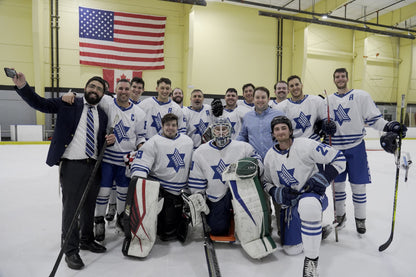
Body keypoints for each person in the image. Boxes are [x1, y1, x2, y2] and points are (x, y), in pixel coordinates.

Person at [12, 72, 114, 270]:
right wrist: (23, 86)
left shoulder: (101, 113)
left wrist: (110, 141)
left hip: (93, 165)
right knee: (71, 209)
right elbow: (40, 103)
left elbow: (99, 140)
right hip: (72, 165)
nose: (95, 90)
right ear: (85, 88)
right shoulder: (69, 102)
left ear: (103, 94)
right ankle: (70, 250)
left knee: (88, 206)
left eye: (99, 89)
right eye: (92, 86)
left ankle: (86, 239)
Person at [326, 68, 407, 234]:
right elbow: (321, 122)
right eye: (337, 77)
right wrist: (322, 127)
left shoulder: (361, 96)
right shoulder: (326, 101)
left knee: (358, 186)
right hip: (335, 150)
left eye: (342, 76)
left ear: (347, 78)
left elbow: (374, 119)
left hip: (356, 147)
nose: (340, 79)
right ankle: (340, 217)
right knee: (338, 187)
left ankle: (360, 219)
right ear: (333, 79)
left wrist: (390, 126)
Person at [263, 116, 346, 277]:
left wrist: (323, 178)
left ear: (290, 131)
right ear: (273, 134)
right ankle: (316, 231)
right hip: (290, 204)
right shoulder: (269, 156)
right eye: (277, 129)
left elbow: (339, 158)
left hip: (312, 196)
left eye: (283, 128)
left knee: (308, 206)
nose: (280, 132)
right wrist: (277, 192)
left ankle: (311, 260)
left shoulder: (305, 145)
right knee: (291, 250)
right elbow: (266, 183)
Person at [188, 117, 262, 236]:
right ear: (212, 131)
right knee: (218, 231)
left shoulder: (243, 147)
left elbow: (257, 162)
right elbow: (197, 177)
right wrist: (199, 194)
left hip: (241, 195)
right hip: (216, 196)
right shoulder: (201, 151)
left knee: (250, 230)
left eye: (225, 129)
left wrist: (255, 167)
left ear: (231, 130)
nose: (221, 133)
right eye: (217, 129)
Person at [92, 79, 146, 241]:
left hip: (126, 162)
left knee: (123, 192)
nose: (123, 91)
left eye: (126, 89)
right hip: (107, 159)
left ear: (131, 91)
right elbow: (91, 97)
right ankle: (99, 220)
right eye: (120, 88)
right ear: (115, 90)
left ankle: (122, 219)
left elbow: (140, 136)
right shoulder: (107, 103)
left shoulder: (139, 113)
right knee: (104, 192)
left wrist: (141, 146)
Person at [130, 113, 194, 241]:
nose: (171, 128)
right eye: (168, 125)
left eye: (174, 125)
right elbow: (140, 164)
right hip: (162, 191)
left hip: (182, 191)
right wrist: (142, 188)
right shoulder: (153, 142)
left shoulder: (188, 141)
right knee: (165, 232)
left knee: (176, 229)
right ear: (162, 126)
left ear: (178, 126)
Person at [237, 86, 285, 160]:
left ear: (268, 99)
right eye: (257, 97)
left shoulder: (279, 115)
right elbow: (243, 136)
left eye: (263, 97)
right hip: (254, 160)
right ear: (253, 99)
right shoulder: (247, 117)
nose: (260, 100)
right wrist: (233, 145)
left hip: (276, 159)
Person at [277, 75, 327, 141]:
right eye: (291, 86)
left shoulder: (316, 101)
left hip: (314, 143)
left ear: (302, 85)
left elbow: (325, 120)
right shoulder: (281, 107)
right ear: (288, 89)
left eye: (297, 84)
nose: (295, 87)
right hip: (294, 144)